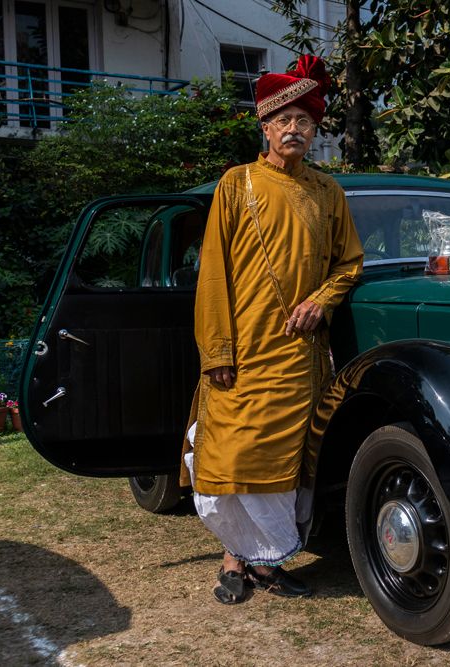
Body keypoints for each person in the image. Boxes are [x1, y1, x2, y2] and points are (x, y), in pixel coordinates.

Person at [184, 55, 364, 605]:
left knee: (286, 463)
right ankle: (232, 559)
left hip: (299, 355)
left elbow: (350, 264)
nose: (294, 130)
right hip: (241, 350)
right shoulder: (236, 185)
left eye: (304, 122)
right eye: (283, 120)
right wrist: (216, 349)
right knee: (234, 457)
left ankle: (268, 564)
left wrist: (321, 300)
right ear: (264, 126)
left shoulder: (328, 192)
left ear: (314, 131)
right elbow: (212, 272)